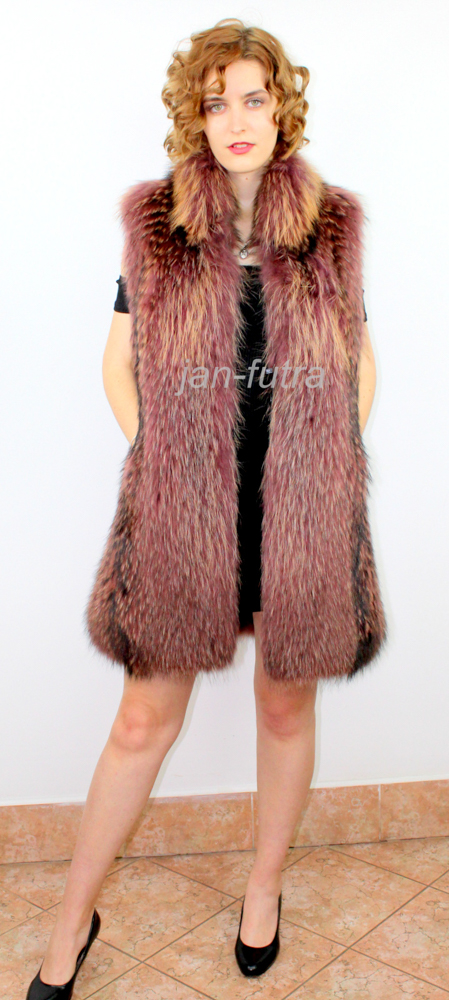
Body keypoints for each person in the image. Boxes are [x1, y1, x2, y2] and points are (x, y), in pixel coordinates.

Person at [26, 18, 383, 997]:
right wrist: (166, 464)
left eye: (253, 97)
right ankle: (72, 919)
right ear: (195, 115)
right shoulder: (160, 226)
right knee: (142, 722)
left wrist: (324, 466)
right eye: (215, 100)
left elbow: (359, 363)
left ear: (282, 109)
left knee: (283, 704)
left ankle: (262, 888)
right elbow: (116, 364)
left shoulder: (328, 229)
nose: (236, 119)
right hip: (184, 509)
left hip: (297, 510)